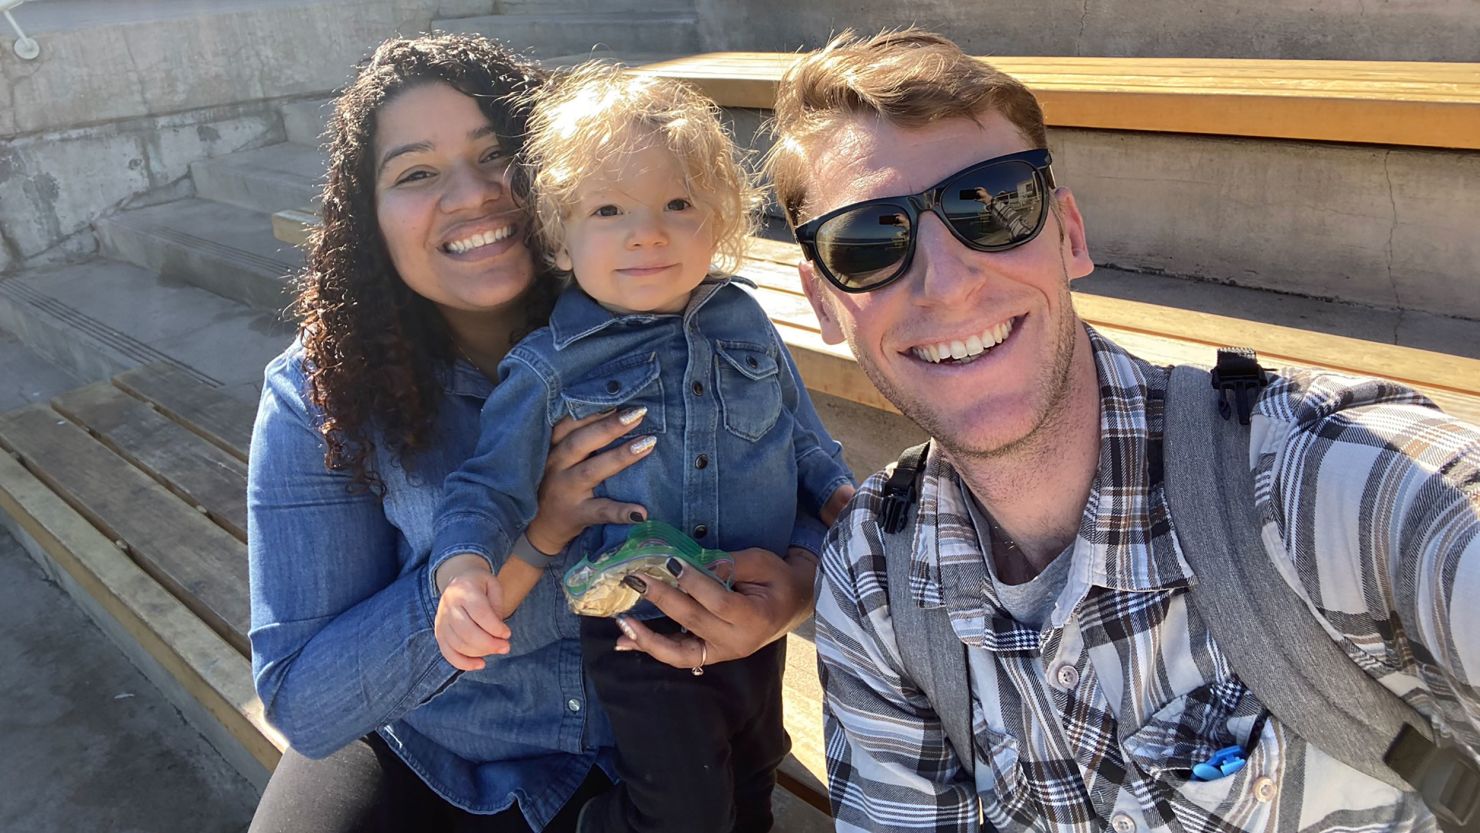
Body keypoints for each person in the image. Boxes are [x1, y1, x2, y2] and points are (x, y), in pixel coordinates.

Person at [766, 29, 1480, 832]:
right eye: (867, 242)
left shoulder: (1320, 485)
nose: (948, 281)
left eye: (992, 204)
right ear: (824, 303)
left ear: (1068, 234)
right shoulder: (873, 581)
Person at [246, 35, 822, 833]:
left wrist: (794, 590)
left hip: (661, 751)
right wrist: (531, 544)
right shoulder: (323, 391)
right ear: (368, 219)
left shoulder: (685, 313)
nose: (473, 194)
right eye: (415, 173)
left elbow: (799, 472)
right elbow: (306, 703)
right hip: (439, 745)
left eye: (498, 156)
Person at [427, 63, 854, 833]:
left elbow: (800, 435)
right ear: (560, 234)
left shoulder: (745, 322)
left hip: (750, 609)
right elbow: (485, 488)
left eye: (678, 203)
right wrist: (462, 571)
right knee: (685, 808)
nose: (647, 231)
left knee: (756, 768)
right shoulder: (549, 367)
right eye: (609, 208)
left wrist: (838, 497)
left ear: (720, 217)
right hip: (636, 626)